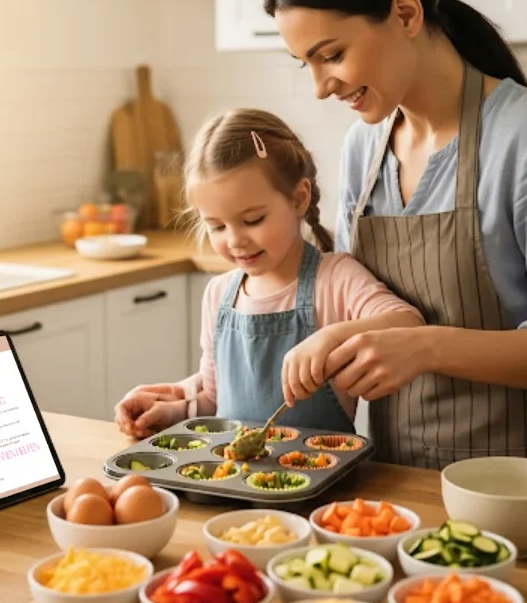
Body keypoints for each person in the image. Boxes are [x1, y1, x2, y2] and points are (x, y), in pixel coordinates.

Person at [258, 0, 527, 486]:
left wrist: (424, 346)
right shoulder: (363, 149)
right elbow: (354, 297)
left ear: (406, 14)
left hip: (526, 490)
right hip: (395, 483)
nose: (322, 87)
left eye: (333, 55)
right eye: (308, 64)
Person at [114, 108, 423, 437]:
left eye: (253, 220)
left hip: (321, 480)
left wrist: (331, 336)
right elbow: (214, 401)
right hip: (234, 481)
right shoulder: (219, 295)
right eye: (216, 226)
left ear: (299, 198)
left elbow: (409, 324)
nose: (235, 240)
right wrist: (171, 411)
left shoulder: (335, 279)